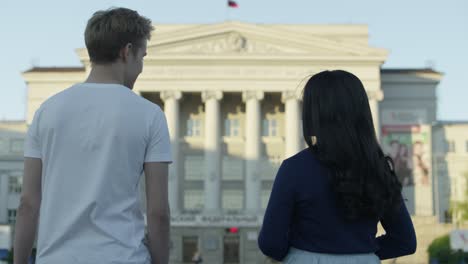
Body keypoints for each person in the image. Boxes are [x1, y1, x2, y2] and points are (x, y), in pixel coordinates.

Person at [13, 8, 172, 264]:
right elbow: (158, 213)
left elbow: (28, 203)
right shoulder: (150, 115)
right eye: (142, 57)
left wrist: (19, 261)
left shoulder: (47, 112)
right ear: (126, 51)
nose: (140, 67)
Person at [258, 70, 416, 263]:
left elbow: (270, 243)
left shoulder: (295, 168)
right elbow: (405, 241)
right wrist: (361, 252)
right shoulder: (378, 169)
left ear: (314, 115)